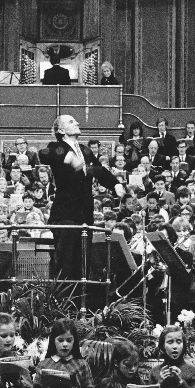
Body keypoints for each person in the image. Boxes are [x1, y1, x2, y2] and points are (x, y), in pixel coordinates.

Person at [38, 115, 125, 279]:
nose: (77, 123)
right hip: (66, 215)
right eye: (71, 121)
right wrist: (69, 159)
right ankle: (61, 303)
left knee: (82, 266)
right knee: (65, 265)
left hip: (85, 214)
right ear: (61, 130)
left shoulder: (85, 150)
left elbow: (99, 170)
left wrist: (115, 184)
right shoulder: (57, 146)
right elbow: (44, 153)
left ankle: (79, 304)